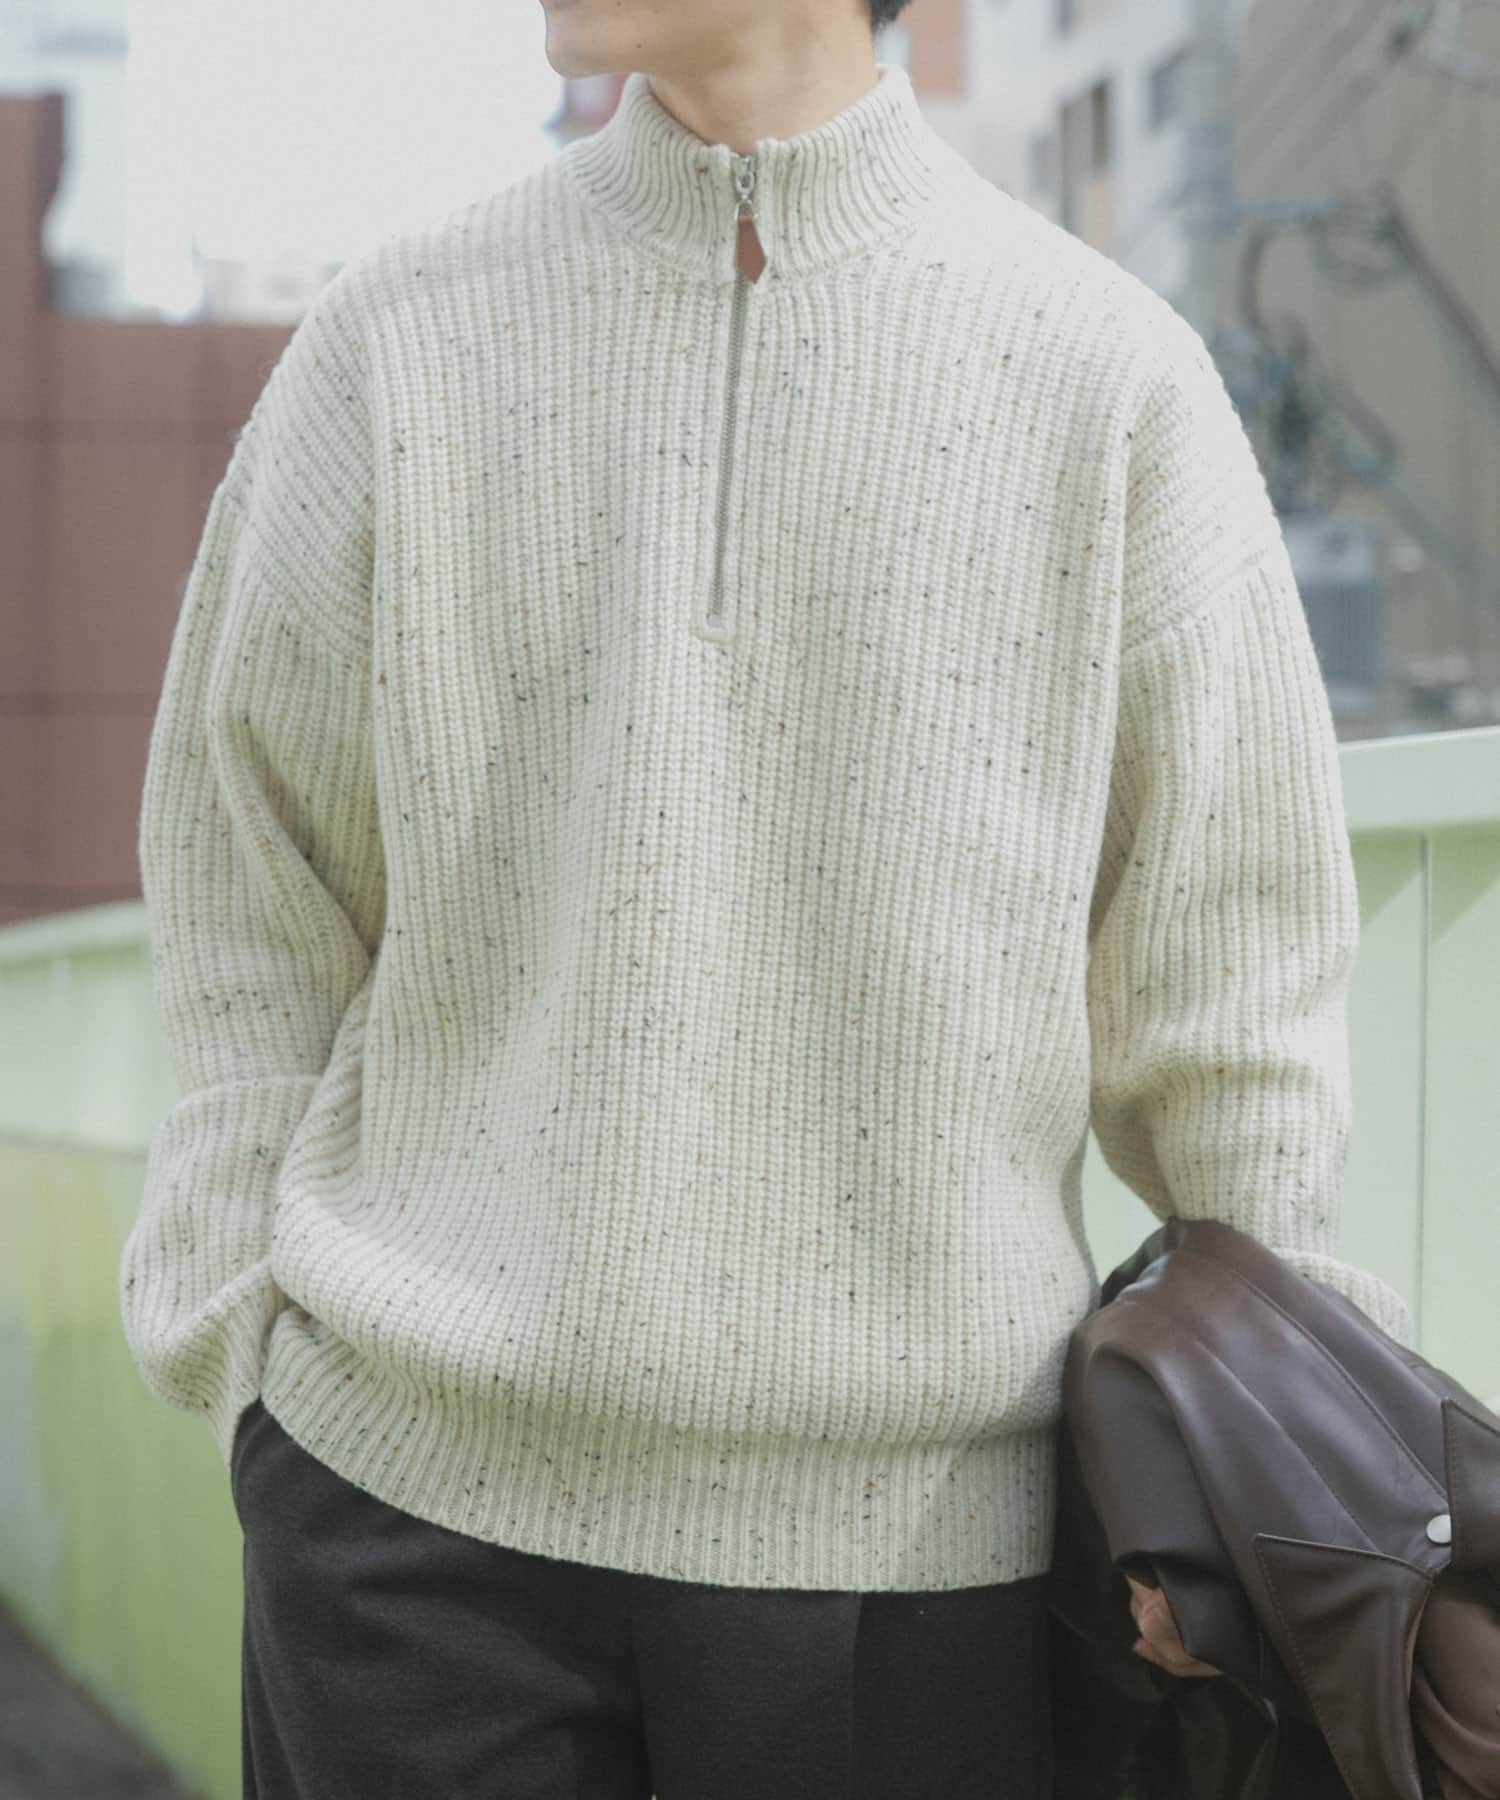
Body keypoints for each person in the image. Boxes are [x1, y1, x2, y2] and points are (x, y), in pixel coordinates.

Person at [120, 0, 1415, 1794]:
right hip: (404, 1523)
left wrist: (1244, 1493)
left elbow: (1234, 985)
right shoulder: (393, 340)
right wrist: (243, 1353)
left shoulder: (1105, 373)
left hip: (925, 1559)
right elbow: (249, 869)